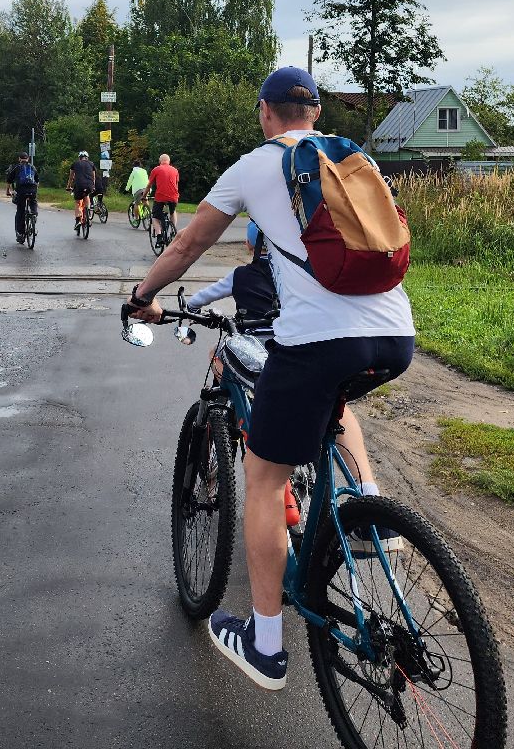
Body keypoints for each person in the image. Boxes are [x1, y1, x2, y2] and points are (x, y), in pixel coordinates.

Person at [125, 66, 415, 692]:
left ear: (265, 112)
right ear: (313, 114)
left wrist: (143, 295)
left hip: (316, 341)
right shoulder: (355, 158)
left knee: (262, 477)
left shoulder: (255, 166)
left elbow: (185, 249)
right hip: (395, 336)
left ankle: (265, 646)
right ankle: (365, 514)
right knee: (335, 412)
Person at [185, 221, 277, 322]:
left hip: (250, 334)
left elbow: (197, 300)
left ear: (248, 244)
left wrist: (192, 309)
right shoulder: (292, 272)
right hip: (288, 334)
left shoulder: (239, 275)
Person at [6, 152, 39, 244]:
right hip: (32, 190)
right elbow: (37, 180)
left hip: (21, 190)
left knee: (20, 210)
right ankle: (34, 214)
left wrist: (8, 191)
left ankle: (20, 233)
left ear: (19, 159)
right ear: (28, 159)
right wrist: (35, 191)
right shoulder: (32, 167)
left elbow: (9, 180)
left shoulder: (17, 167)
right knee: (33, 201)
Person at [148, 153, 180, 234]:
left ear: (160, 161)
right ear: (169, 161)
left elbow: (149, 185)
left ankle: (159, 236)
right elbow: (176, 185)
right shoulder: (175, 170)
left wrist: (144, 196)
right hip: (173, 197)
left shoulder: (156, 169)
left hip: (160, 197)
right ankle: (173, 230)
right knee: (173, 212)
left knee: (155, 217)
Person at [69, 150, 96, 233]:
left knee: (77, 202)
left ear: (79, 158)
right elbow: (93, 177)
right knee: (87, 196)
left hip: (79, 185)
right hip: (89, 185)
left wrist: (68, 186)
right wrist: (93, 186)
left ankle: (78, 219)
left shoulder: (75, 164)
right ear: (87, 158)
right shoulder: (91, 164)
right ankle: (88, 214)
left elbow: (71, 177)